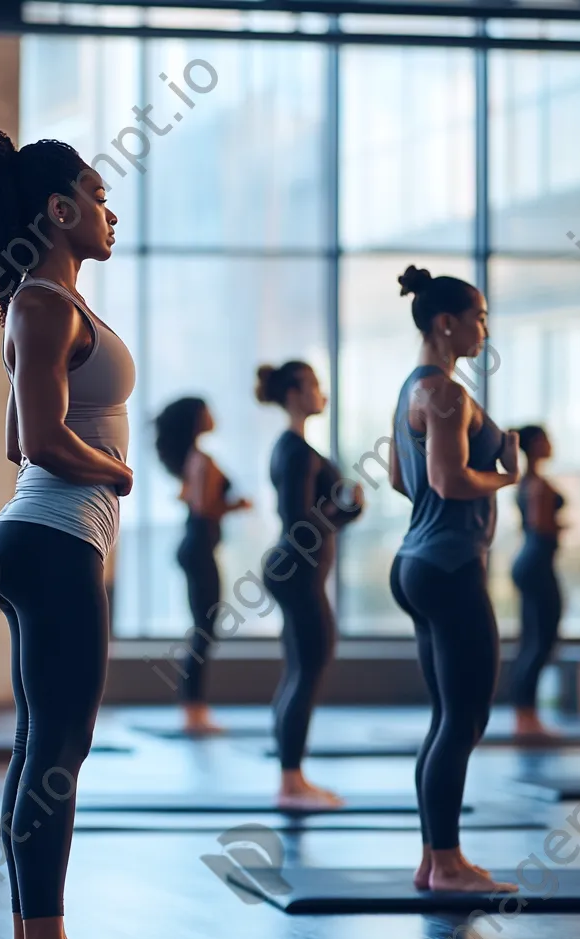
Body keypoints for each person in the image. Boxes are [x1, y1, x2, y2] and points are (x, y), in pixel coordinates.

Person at [0, 128, 150, 939]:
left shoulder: (46, 304)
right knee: (58, 749)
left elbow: (10, 436)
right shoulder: (43, 304)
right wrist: (115, 469)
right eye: (99, 196)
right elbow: (36, 442)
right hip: (51, 538)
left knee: (45, 745)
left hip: (49, 536)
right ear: (60, 211)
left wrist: (91, 463)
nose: (111, 211)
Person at [388, 264, 519, 894]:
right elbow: (447, 480)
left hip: (420, 563)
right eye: (480, 317)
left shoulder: (411, 388)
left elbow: (398, 478)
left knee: (449, 715)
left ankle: (435, 859)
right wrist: (505, 474)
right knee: (465, 716)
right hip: (448, 566)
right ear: (448, 322)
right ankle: (444, 862)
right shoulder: (444, 392)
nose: (485, 329)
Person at [256, 362, 363, 809]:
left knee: (303, 666)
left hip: (296, 570)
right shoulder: (296, 451)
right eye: (316, 386)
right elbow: (302, 522)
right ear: (297, 392)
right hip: (296, 570)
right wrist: (345, 509)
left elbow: (315, 517)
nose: (322, 393)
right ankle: (291, 781)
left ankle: (291, 776)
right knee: (310, 663)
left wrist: (347, 510)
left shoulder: (295, 447)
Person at [154, 397, 252, 733]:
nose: (214, 415)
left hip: (196, 545)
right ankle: (193, 708)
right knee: (204, 629)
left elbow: (189, 497)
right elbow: (202, 506)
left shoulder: (194, 459)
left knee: (204, 628)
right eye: (207, 411)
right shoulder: (200, 459)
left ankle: (194, 706)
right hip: (198, 545)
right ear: (197, 419)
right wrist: (235, 506)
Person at [509, 425, 564, 737]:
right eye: (546, 439)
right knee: (541, 639)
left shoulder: (531, 482)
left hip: (533, 563)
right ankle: (526, 716)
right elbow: (539, 524)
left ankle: (526, 714)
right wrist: (558, 527)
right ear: (534, 445)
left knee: (534, 638)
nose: (551, 444)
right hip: (536, 563)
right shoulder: (537, 486)